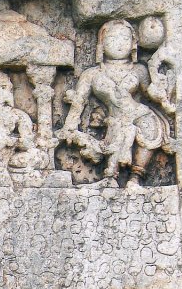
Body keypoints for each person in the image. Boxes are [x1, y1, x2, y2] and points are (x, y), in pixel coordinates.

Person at [59, 19, 172, 189]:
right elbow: (79, 101)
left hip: (140, 114)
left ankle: (135, 177)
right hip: (114, 119)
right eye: (113, 38)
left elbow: (149, 93)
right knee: (115, 136)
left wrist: (160, 93)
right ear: (101, 43)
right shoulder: (92, 74)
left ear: (133, 44)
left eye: (125, 39)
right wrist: (70, 125)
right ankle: (111, 176)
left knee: (149, 132)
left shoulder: (139, 70)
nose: (119, 44)